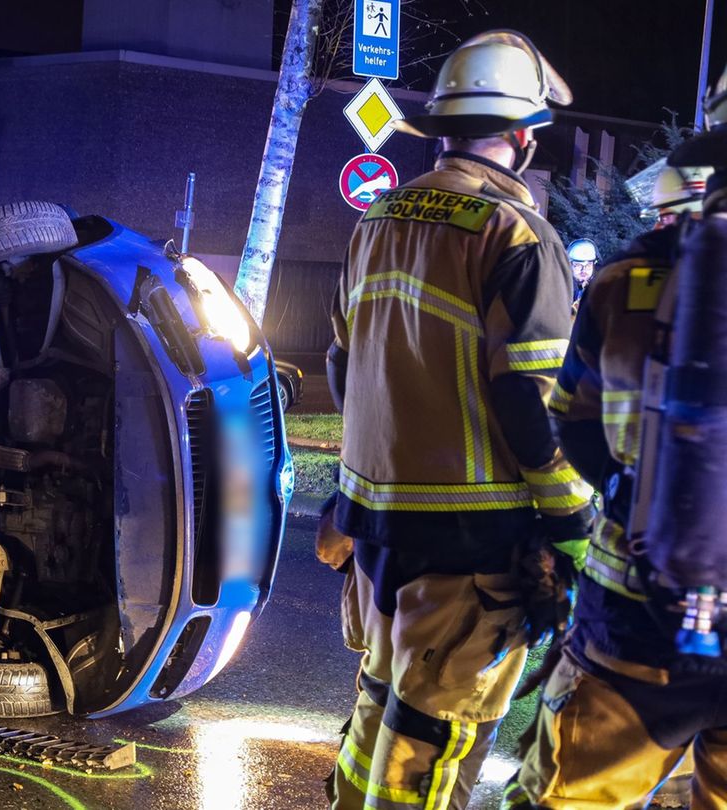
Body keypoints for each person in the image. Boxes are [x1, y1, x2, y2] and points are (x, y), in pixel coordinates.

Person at [324, 30, 594, 810]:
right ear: (523, 136)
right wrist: (571, 517)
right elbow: (529, 398)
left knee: (377, 716)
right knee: (434, 746)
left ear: (440, 129)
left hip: (376, 532)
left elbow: (346, 368)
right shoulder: (515, 234)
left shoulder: (374, 222)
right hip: (473, 548)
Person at [501, 77, 727, 810]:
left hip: (634, 621)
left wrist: (646, 500)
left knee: (571, 798)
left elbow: (571, 421)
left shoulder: (624, 283)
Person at [567, 238, 599, 307]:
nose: (583, 270)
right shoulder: (561, 287)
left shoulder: (602, 287)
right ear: (569, 265)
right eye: (578, 265)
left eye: (588, 265)